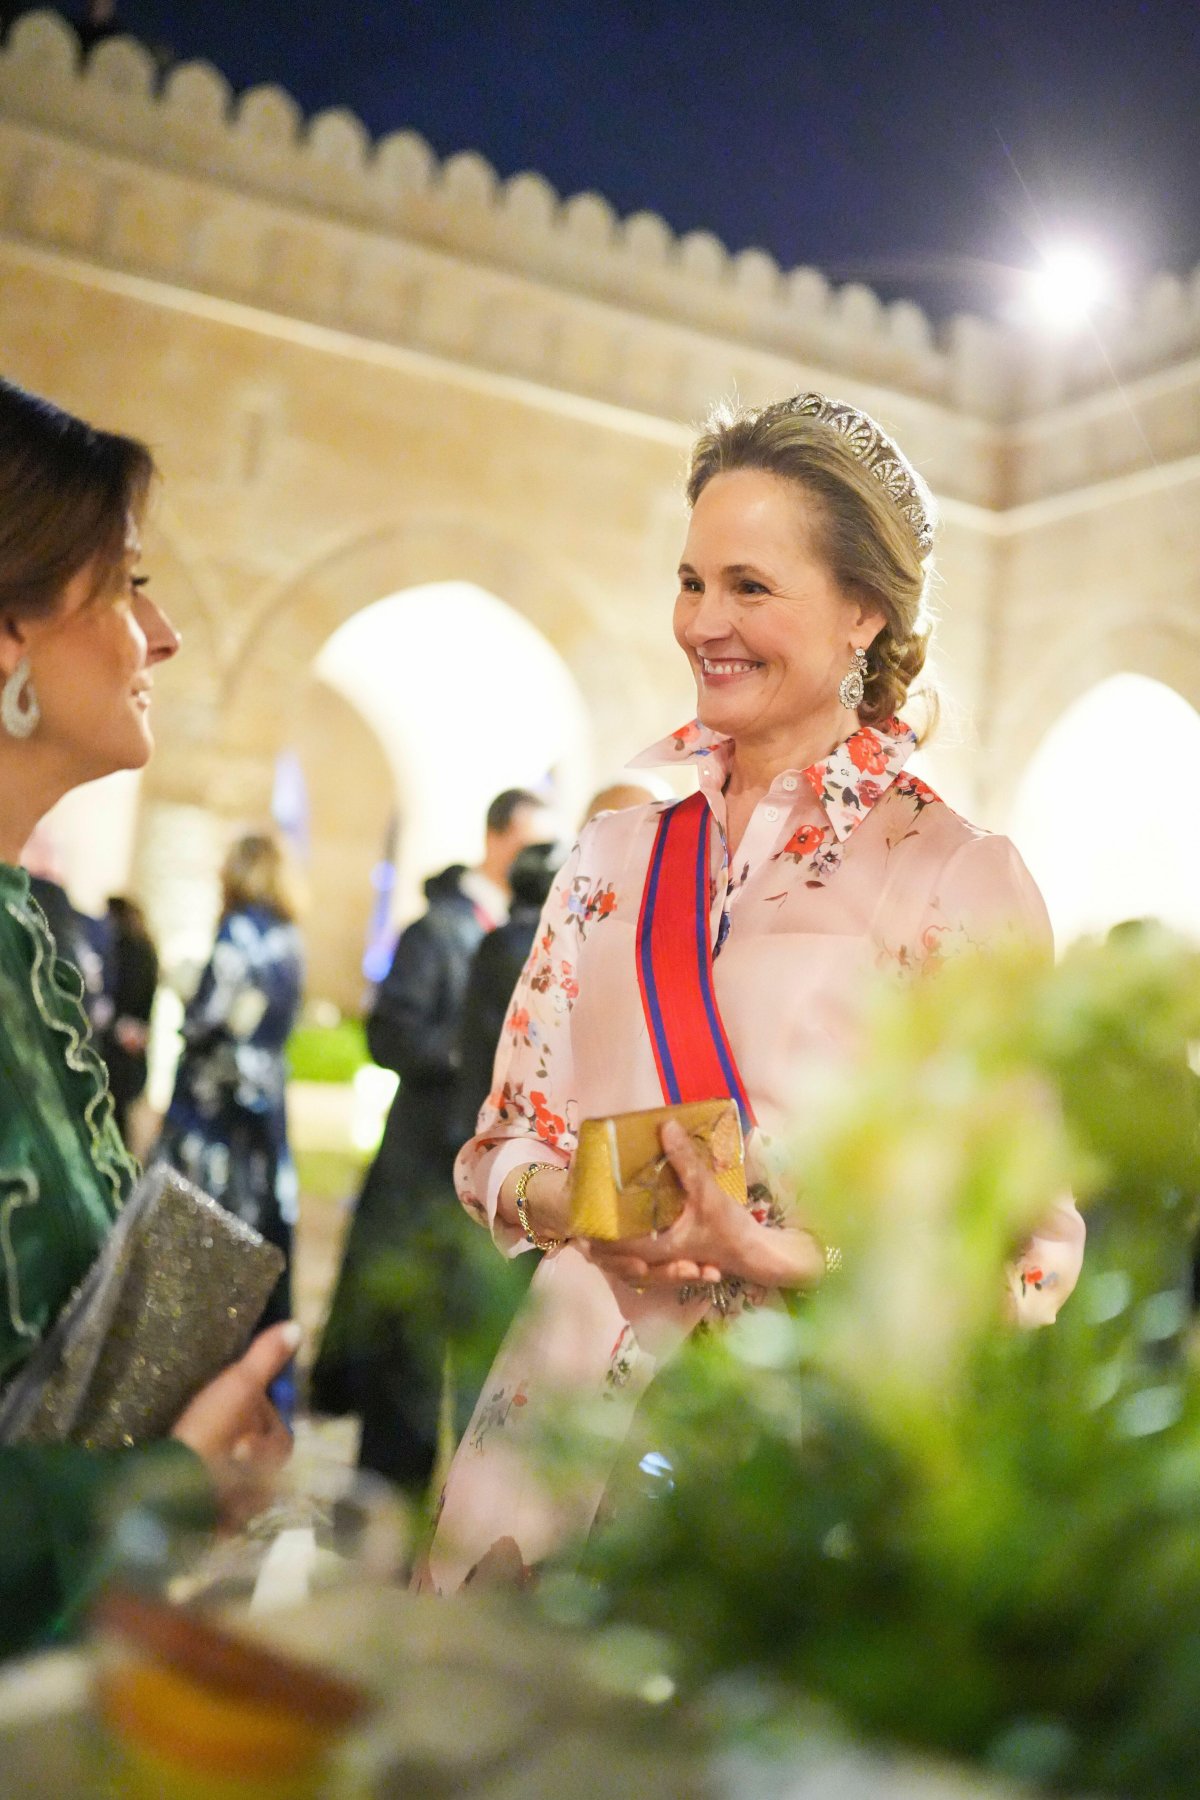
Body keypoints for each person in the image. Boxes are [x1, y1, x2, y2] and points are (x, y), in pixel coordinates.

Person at [421, 391, 1087, 1592]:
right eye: (691, 581)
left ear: (862, 615)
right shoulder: (616, 852)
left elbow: (1025, 1255)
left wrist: (784, 1257)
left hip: (790, 1451)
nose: (703, 623)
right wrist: (579, 1206)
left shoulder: (953, 879)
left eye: (750, 586)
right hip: (559, 1415)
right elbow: (500, 1145)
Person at [0, 375, 296, 1659]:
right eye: (125, 584)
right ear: (6, 634)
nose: (163, 633)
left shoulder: (25, 938)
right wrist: (158, 1486)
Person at [311, 787, 553, 1490]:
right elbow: (390, 1033)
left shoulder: (515, 931)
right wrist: (480, 1053)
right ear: (499, 838)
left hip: (476, 1174)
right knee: (405, 1351)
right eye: (533, 842)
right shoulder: (441, 929)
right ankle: (381, 1506)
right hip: (425, 1164)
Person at [157, 833, 304, 1409]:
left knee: (198, 1232)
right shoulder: (290, 939)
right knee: (261, 1226)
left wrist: (185, 994)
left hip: (214, 1110)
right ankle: (260, 1366)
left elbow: (208, 1016)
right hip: (265, 1106)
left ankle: (190, 1369)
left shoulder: (238, 932)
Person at [95, 894, 159, 1148]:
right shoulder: (148, 949)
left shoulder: (125, 949)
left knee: (111, 1118)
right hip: (135, 1047)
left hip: (117, 1046)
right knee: (120, 1120)